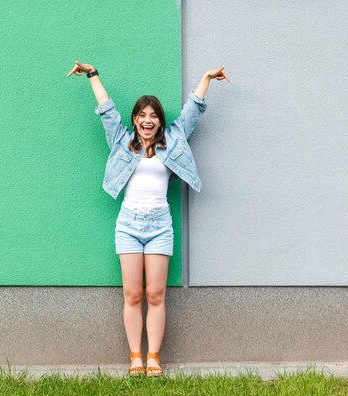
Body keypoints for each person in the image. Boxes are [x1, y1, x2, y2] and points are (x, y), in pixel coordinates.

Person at [67, 60, 229, 376]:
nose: (147, 120)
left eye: (153, 116)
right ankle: (135, 358)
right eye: (142, 115)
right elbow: (106, 109)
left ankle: (153, 356)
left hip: (159, 227)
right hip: (128, 225)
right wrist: (93, 75)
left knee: (155, 295)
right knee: (133, 294)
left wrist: (206, 78)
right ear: (134, 120)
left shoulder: (173, 140)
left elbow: (191, 113)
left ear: (159, 122)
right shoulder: (121, 141)